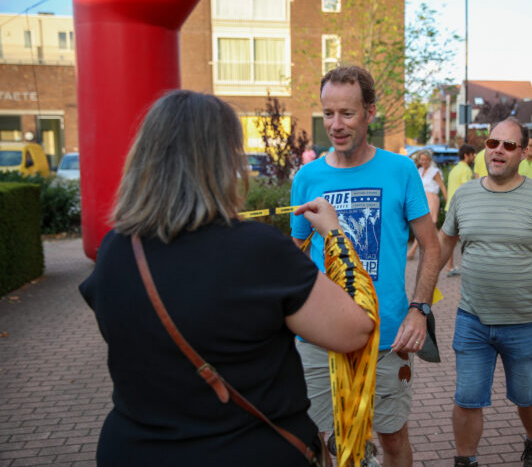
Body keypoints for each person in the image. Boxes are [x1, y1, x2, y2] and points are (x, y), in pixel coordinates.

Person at [79, 90, 375, 466]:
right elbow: (353, 331)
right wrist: (334, 235)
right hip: (247, 449)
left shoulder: (114, 251)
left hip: (133, 449)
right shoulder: (257, 250)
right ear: (224, 162)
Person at [290, 66, 441, 467]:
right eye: (328, 113)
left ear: (370, 113)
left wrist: (419, 309)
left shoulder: (400, 170)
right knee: (326, 442)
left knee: (392, 438)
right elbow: (294, 254)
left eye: (347, 113)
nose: (335, 125)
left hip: (387, 335)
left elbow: (431, 246)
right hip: (320, 337)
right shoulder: (307, 177)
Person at [437, 117, 532, 467]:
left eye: (508, 145)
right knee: (466, 398)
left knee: (527, 395)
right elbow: (444, 243)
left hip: (525, 322)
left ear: (523, 152)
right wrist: (420, 296)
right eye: (492, 143)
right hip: (472, 320)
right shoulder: (464, 194)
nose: (498, 150)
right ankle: (465, 461)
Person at [407, 149, 448, 260]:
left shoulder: (435, 171)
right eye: (422, 159)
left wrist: (448, 200)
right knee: (431, 228)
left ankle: (412, 251)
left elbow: (442, 186)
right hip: (421, 199)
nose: (424, 161)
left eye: (426, 159)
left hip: (432, 199)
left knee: (425, 225)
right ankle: (442, 249)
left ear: (430, 160)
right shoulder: (419, 171)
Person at [443, 144, 476, 277]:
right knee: (468, 240)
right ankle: (470, 268)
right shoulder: (466, 170)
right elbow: (467, 190)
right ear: (466, 155)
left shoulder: (454, 169)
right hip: (462, 209)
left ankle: (449, 266)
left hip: (450, 207)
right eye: (472, 154)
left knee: (450, 240)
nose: (474, 157)